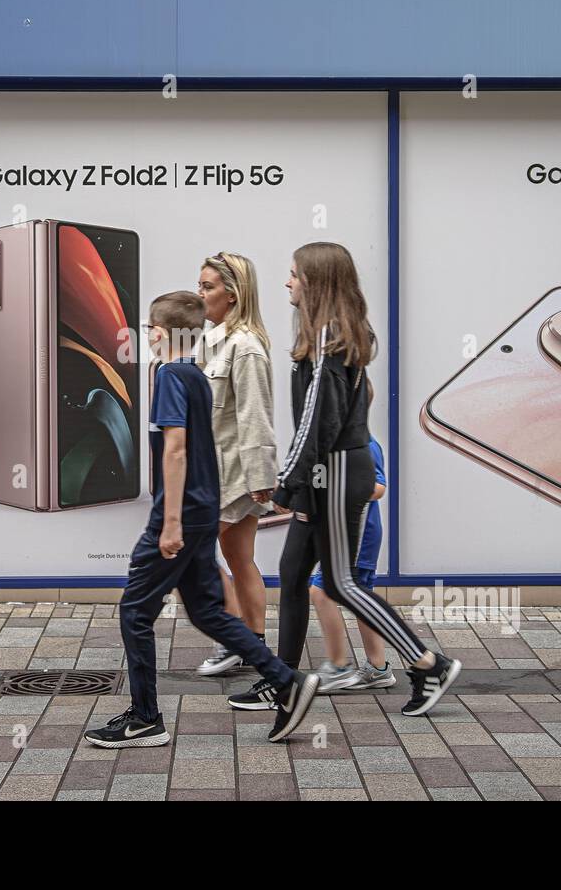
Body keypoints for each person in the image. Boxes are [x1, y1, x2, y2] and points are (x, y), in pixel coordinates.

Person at [229, 242, 461, 718]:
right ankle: (283, 681)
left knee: (340, 583)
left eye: (293, 274)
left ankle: (427, 663)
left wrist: (288, 483)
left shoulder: (328, 337)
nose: (287, 282)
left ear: (314, 281)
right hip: (327, 472)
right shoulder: (329, 334)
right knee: (293, 574)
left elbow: (317, 422)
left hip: (334, 473)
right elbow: (319, 421)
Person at [84, 291, 318, 749]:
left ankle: (145, 718)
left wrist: (169, 522)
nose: (146, 334)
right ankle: (284, 680)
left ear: (159, 332)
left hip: (179, 514)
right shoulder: (193, 375)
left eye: (149, 327)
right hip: (202, 508)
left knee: (134, 611)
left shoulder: (170, 375)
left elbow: (176, 448)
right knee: (208, 611)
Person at [193, 252, 276, 676]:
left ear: (233, 293)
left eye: (207, 286)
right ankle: (253, 645)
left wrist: (262, 481)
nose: (200, 293)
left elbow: (255, 418)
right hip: (217, 472)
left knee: (192, 555)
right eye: (200, 284)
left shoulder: (245, 348)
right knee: (240, 558)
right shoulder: (210, 340)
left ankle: (232, 639)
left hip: (235, 477)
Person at [311, 417, 393, 692]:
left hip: (359, 536)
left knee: (320, 591)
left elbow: (379, 487)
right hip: (344, 533)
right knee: (360, 598)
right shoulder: (334, 443)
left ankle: (339, 666)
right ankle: (377, 667)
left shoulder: (365, 444)